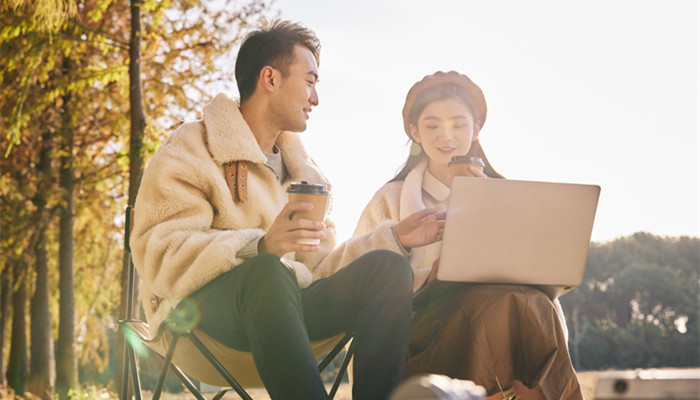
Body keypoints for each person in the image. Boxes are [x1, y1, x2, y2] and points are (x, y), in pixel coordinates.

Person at [130, 19, 414, 400]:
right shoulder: (193, 146)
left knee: (388, 269)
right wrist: (260, 247)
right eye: (311, 81)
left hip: (287, 312)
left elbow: (318, 269)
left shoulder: (305, 174)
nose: (316, 99)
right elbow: (159, 255)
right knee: (267, 272)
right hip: (199, 322)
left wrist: (394, 238)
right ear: (270, 79)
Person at [349, 71, 585, 399]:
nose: (446, 136)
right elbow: (359, 280)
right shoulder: (389, 200)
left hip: (498, 322)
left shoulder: (508, 197)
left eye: (459, 124)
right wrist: (425, 281)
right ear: (415, 132)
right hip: (417, 336)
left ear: (477, 128)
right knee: (501, 307)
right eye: (432, 126)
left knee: (531, 303)